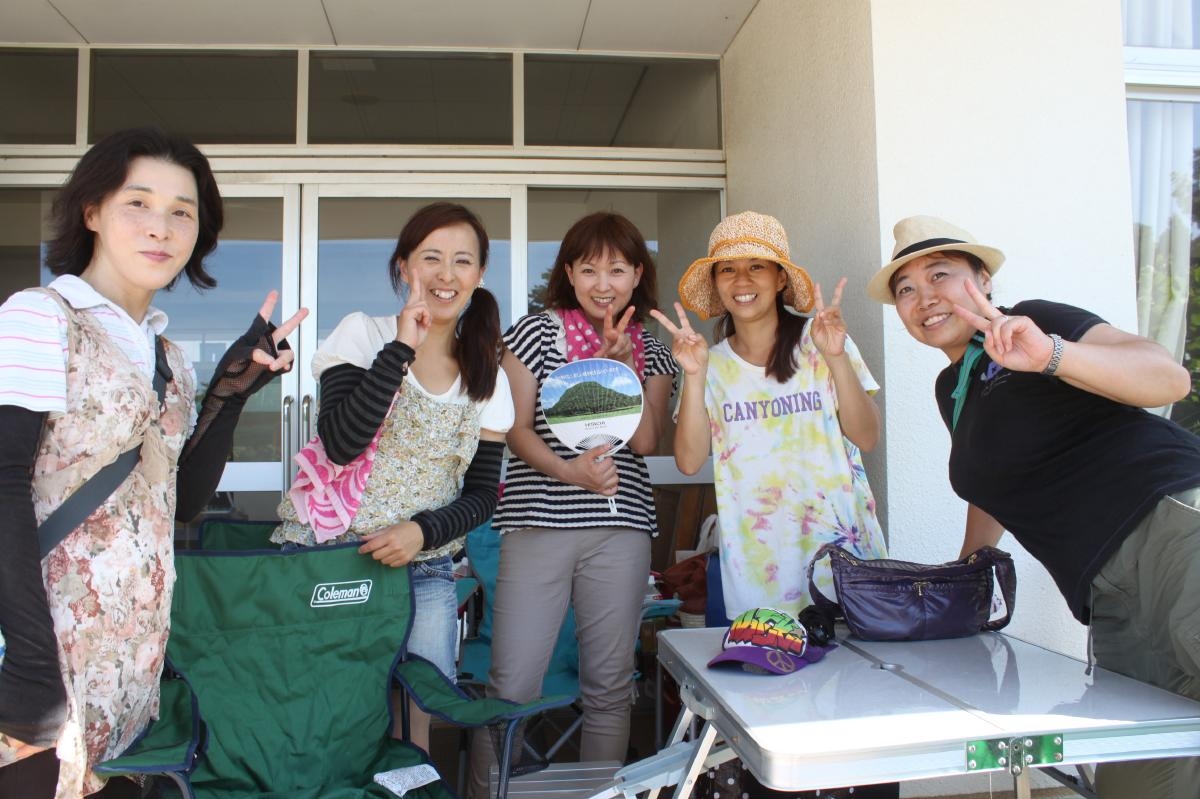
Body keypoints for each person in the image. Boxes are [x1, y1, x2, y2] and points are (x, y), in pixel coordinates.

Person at [0, 127, 306, 799]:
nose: (160, 227)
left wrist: (230, 393)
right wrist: (29, 665)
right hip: (41, 651)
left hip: (130, 662)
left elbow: (181, 501)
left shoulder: (168, 357)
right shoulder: (39, 317)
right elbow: (3, 482)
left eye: (181, 211)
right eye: (137, 202)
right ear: (92, 211)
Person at [870, 214, 1200, 799]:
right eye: (906, 289)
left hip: (1169, 527)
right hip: (1107, 592)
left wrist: (1050, 354)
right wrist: (965, 575)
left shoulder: (1036, 321)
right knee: (1141, 779)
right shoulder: (952, 389)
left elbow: (1167, 379)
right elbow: (993, 486)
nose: (925, 297)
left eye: (940, 274)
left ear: (983, 281)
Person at [272, 201, 511, 753]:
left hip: (424, 568)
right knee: (325, 708)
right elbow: (341, 443)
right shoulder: (364, 333)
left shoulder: (487, 376)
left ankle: (408, 787)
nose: (446, 274)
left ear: (479, 274)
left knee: (417, 712)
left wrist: (421, 532)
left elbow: (482, 496)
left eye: (462, 261)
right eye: (431, 257)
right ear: (404, 266)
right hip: (328, 557)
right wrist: (401, 347)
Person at [467, 211, 678, 796]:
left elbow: (646, 442)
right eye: (589, 269)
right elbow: (514, 428)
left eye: (617, 269)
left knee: (609, 686)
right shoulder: (535, 333)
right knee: (511, 684)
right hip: (537, 523)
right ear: (569, 274)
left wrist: (624, 365)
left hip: (621, 527)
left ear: (638, 275)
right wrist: (569, 471)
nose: (602, 284)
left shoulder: (653, 347)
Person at [652, 210, 888, 621]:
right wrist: (694, 375)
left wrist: (836, 357)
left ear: (780, 278)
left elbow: (867, 437)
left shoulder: (822, 342)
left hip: (842, 559)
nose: (742, 280)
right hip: (759, 567)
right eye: (728, 269)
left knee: (852, 662)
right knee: (770, 664)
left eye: (756, 266)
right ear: (716, 283)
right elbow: (689, 462)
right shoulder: (709, 364)